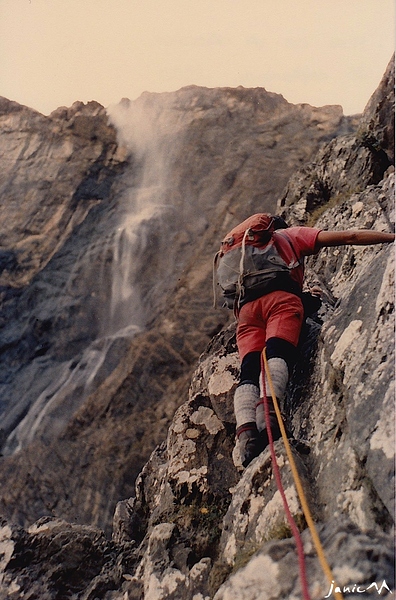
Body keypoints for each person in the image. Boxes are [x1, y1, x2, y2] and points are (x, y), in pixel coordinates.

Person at [228, 213, 395, 468]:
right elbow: (350, 236)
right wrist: (391, 236)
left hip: (247, 314)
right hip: (281, 302)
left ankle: (246, 435)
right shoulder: (291, 236)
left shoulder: (242, 253)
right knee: (277, 352)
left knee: (249, 370)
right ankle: (269, 416)